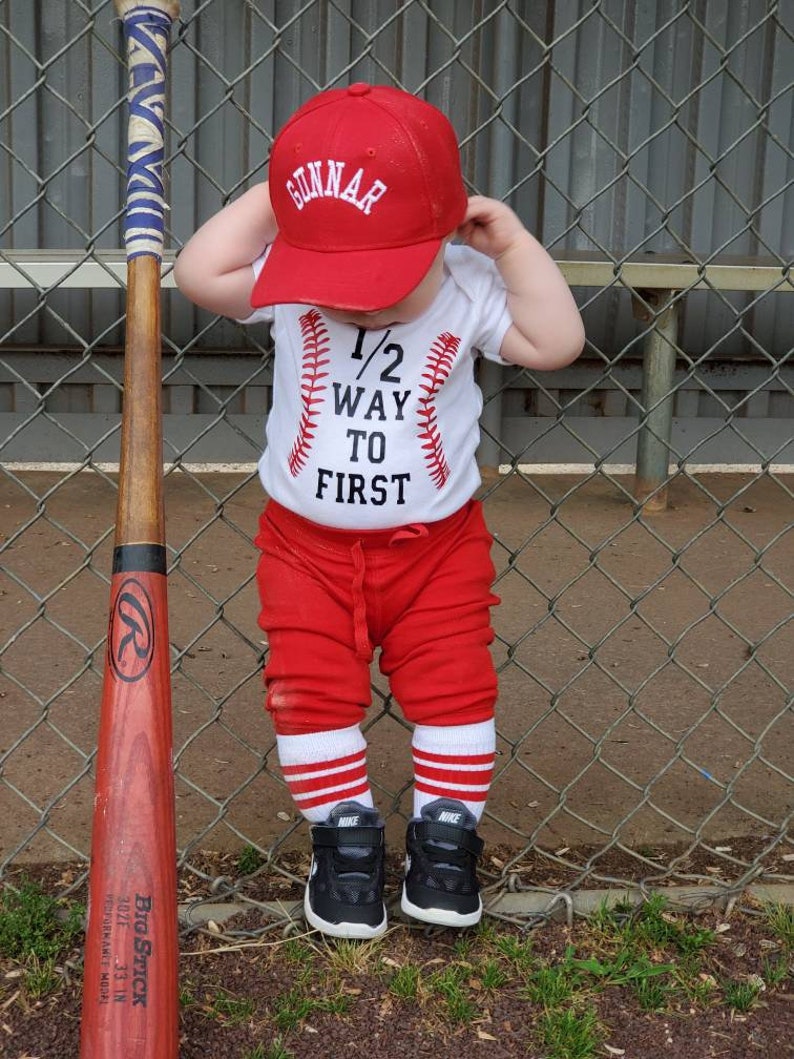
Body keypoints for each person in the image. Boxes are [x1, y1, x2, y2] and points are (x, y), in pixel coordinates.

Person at [174, 82, 585, 939]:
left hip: (436, 547)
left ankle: (445, 840)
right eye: (342, 277)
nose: (359, 301)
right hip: (305, 549)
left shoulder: (468, 281)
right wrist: (293, 199)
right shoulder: (293, 277)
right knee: (310, 694)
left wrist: (512, 245)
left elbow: (555, 344)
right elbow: (200, 271)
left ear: (444, 230)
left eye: (382, 278)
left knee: (456, 688)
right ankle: (345, 841)